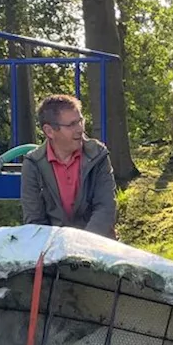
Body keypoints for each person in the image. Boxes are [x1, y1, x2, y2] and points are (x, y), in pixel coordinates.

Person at [20, 94, 118, 239]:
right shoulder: (33, 164)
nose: (80, 129)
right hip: (54, 250)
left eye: (80, 121)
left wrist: (82, 246)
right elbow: (35, 222)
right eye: (71, 125)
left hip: (97, 245)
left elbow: (106, 209)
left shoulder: (98, 155)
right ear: (49, 131)